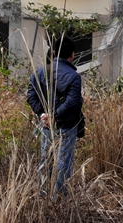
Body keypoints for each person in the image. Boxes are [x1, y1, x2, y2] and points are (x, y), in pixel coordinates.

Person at [26, 35, 83, 195]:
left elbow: (31, 96)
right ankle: (59, 198)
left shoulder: (39, 72)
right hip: (66, 125)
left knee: (46, 161)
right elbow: (73, 102)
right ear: (72, 55)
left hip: (46, 125)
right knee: (63, 163)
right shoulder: (74, 77)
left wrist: (44, 114)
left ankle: (43, 194)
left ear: (54, 52)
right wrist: (55, 116)